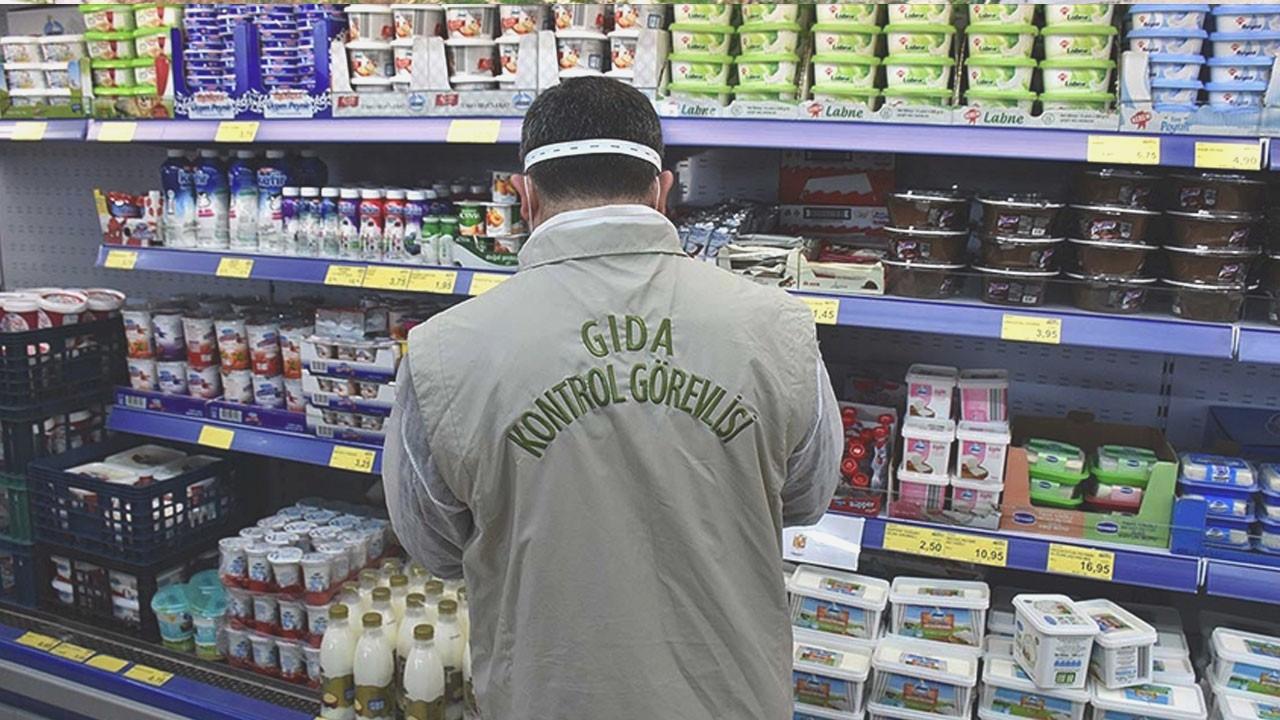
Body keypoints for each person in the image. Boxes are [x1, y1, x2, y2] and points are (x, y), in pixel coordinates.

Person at [383, 76, 842, 720]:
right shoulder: (778, 326)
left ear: (525, 196)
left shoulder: (442, 350)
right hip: (734, 698)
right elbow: (806, 498)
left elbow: (433, 546)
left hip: (547, 699)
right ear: (663, 191)